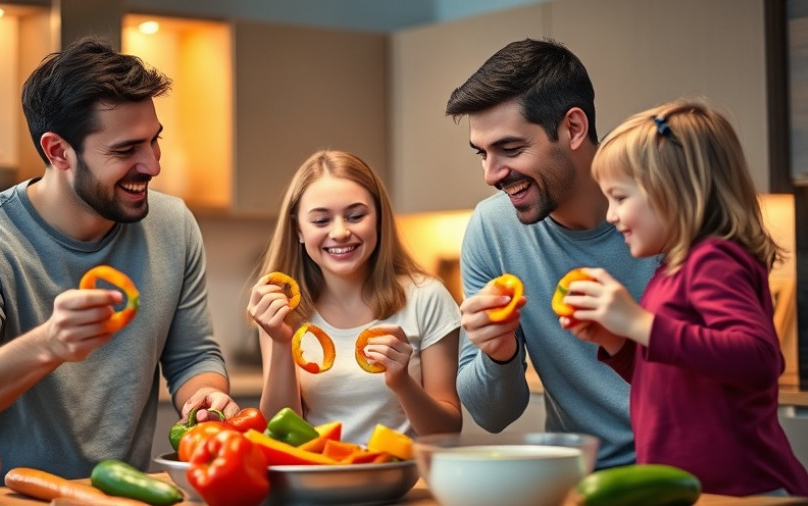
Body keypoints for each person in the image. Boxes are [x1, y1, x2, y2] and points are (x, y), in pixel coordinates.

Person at [0, 36, 238, 483]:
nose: (152, 166)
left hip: (121, 494)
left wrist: (205, 396)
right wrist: (47, 344)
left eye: (154, 142)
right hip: (10, 496)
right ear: (58, 151)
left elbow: (193, 357)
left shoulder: (173, 225)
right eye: (126, 150)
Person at [563, 99, 808, 496]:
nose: (610, 215)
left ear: (672, 191)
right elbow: (674, 378)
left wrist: (639, 323)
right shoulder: (670, 272)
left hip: (748, 492)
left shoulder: (714, 260)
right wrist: (619, 343)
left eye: (620, 198)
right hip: (694, 491)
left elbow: (760, 358)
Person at [444, 38, 660, 469]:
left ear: (574, 129)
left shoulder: (668, 212)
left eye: (510, 149)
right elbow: (491, 416)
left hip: (688, 471)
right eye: (482, 154)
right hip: (579, 479)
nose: (491, 174)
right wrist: (497, 354)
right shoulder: (492, 229)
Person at [246, 149, 462, 444]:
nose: (340, 232)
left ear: (379, 219)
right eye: (321, 221)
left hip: (404, 482)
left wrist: (402, 383)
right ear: (299, 230)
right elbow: (280, 435)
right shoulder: (280, 310)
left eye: (356, 216)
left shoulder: (427, 298)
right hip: (316, 482)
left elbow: (448, 431)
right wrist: (281, 342)